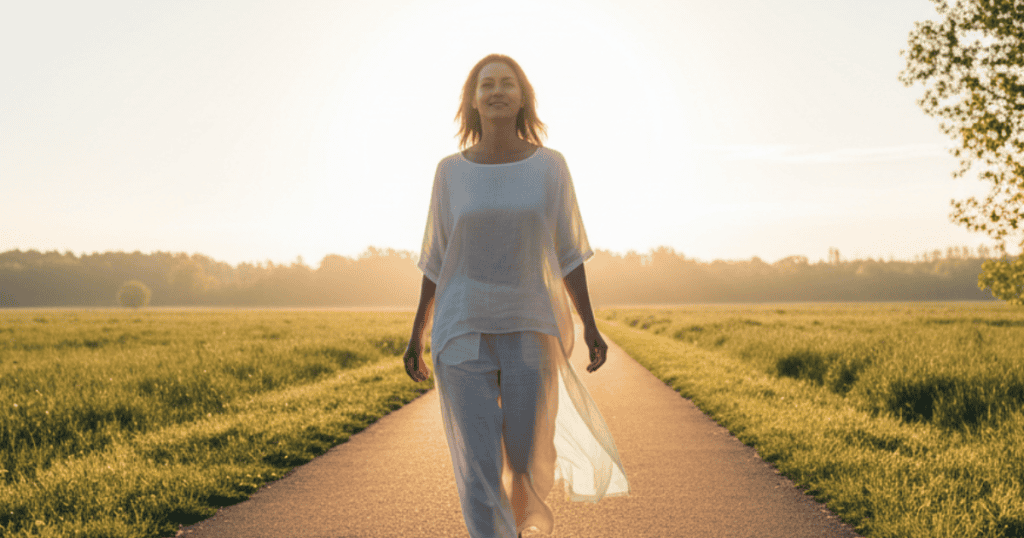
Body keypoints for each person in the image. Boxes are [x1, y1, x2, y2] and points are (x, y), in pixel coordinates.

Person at [403, 53, 629, 538]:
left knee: (526, 458)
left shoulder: (550, 167)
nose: (497, 91)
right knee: (479, 465)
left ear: (523, 97)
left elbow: (569, 252)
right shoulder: (449, 173)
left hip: (531, 324)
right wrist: (417, 333)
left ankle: (522, 525)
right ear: (473, 100)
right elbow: (435, 260)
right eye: (487, 85)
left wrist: (590, 323)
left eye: (507, 83)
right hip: (461, 328)